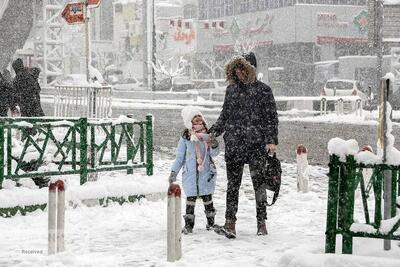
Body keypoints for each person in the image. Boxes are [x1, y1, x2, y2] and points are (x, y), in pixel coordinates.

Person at [208, 52, 279, 238]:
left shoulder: (264, 90)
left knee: (259, 185)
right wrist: (213, 132)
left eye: (242, 68)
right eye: (236, 69)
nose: (239, 72)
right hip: (234, 144)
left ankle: (261, 222)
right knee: (233, 185)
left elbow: (271, 118)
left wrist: (271, 140)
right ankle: (230, 223)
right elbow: (225, 116)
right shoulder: (231, 90)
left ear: (251, 70)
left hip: (256, 145)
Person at [169, 107, 220, 234]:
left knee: (207, 198)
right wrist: (174, 172)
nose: (198, 119)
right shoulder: (186, 137)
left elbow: (214, 153)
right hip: (190, 174)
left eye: (199, 117)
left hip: (206, 172)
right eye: (194, 118)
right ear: (189, 122)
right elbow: (180, 157)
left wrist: (213, 143)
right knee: (190, 200)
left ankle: (211, 223)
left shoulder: (207, 135)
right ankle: (189, 225)